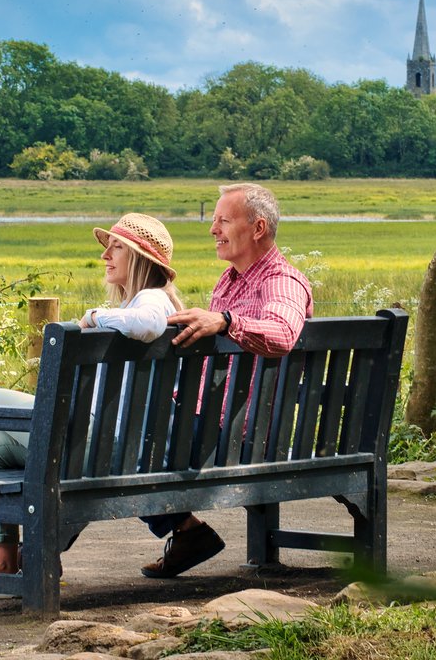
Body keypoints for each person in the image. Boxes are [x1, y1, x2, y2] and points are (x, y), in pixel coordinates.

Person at [0, 213, 182, 598]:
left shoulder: (153, 299)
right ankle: (5, 569)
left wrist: (95, 316)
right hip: (105, 440)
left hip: (103, 447)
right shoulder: (145, 300)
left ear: (141, 257)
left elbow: (147, 324)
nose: (105, 256)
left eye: (116, 247)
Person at [138, 182, 314, 579]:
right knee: (115, 438)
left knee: (119, 443)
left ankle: (31, 553)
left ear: (257, 228)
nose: (213, 229)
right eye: (214, 220)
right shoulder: (230, 280)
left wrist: (227, 321)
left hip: (237, 436)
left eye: (223, 221)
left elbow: (283, 333)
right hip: (213, 424)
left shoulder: (281, 281)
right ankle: (186, 531)